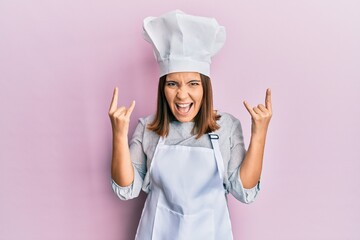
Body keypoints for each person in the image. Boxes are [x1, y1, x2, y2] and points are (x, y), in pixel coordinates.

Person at [108, 10, 272, 240]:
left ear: (205, 87)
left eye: (193, 83)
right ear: (162, 89)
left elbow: (244, 191)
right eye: (173, 84)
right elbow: (126, 190)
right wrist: (118, 134)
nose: (182, 95)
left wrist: (259, 134)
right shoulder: (148, 127)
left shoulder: (227, 127)